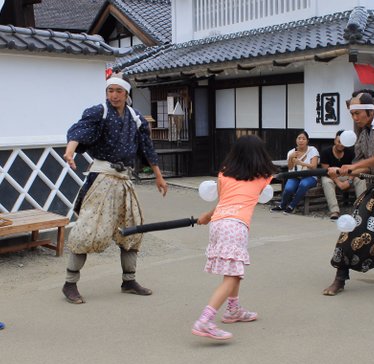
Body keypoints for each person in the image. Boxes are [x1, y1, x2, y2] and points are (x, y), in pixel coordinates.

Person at [62, 74, 168, 304]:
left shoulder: (135, 118)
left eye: (119, 91)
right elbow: (80, 131)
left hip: (124, 181)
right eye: (110, 91)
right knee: (87, 229)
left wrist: (159, 176)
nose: (114, 95)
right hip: (101, 178)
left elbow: (147, 148)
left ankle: (129, 280)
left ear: (126, 94)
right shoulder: (98, 112)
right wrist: (70, 151)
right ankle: (69, 283)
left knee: (131, 229)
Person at [192, 135, 276, 340]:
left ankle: (233, 309)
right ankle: (205, 320)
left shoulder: (223, 175)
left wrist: (206, 216)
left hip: (218, 223)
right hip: (236, 226)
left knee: (234, 271)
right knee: (232, 276)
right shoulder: (263, 177)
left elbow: (224, 202)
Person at [323, 90, 374, 296]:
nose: (355, 119)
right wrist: (343, 172)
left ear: (369, 110)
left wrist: (351, 167)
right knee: (355, 227)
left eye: (357, 114)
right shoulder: (362, 132)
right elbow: (361, 166)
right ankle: (340, 277)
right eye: (352, 115)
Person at [320, 130, 367, 220]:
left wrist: (348, 181)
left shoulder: (350, 152)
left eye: (343, 142)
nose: (341, 144)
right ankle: (334, 211)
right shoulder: (326, 152)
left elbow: (355, 169)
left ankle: (362, 209)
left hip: (347, 175)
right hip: (332, 176)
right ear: (335, 140)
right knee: (326, 181)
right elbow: (327, 172)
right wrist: (339, 183)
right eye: (339, 141)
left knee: (361, 179)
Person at [270, 131, 319, 214]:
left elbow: (314, 166)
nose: (301, 140)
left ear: (307, 141)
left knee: (303, 184)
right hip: (295, 176)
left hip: (309, 176)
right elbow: (290, 167)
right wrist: (290, 157)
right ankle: (282, 205)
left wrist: (301, 163)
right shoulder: (291, 152)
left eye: (303, 139)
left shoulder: (312, 150)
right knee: (289, 189)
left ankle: (291, 206)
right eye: (299, 138)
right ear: (296, 140)